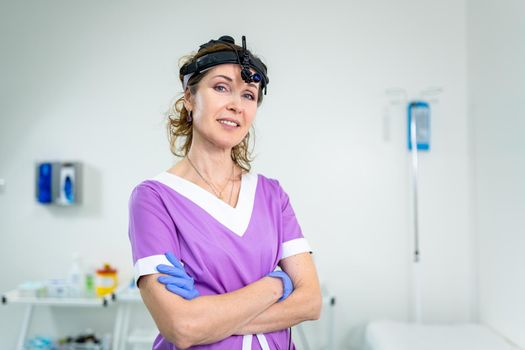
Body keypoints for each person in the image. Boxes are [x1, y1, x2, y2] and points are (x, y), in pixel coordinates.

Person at [128, 35, 321, 350]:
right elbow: (182, 327)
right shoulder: (154, 199)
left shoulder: (272, 195)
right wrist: (276, 284)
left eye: (248, 94)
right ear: (189, 97)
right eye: (220, 87)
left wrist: (208, 314)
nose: (236, 104)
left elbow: (310, 302)